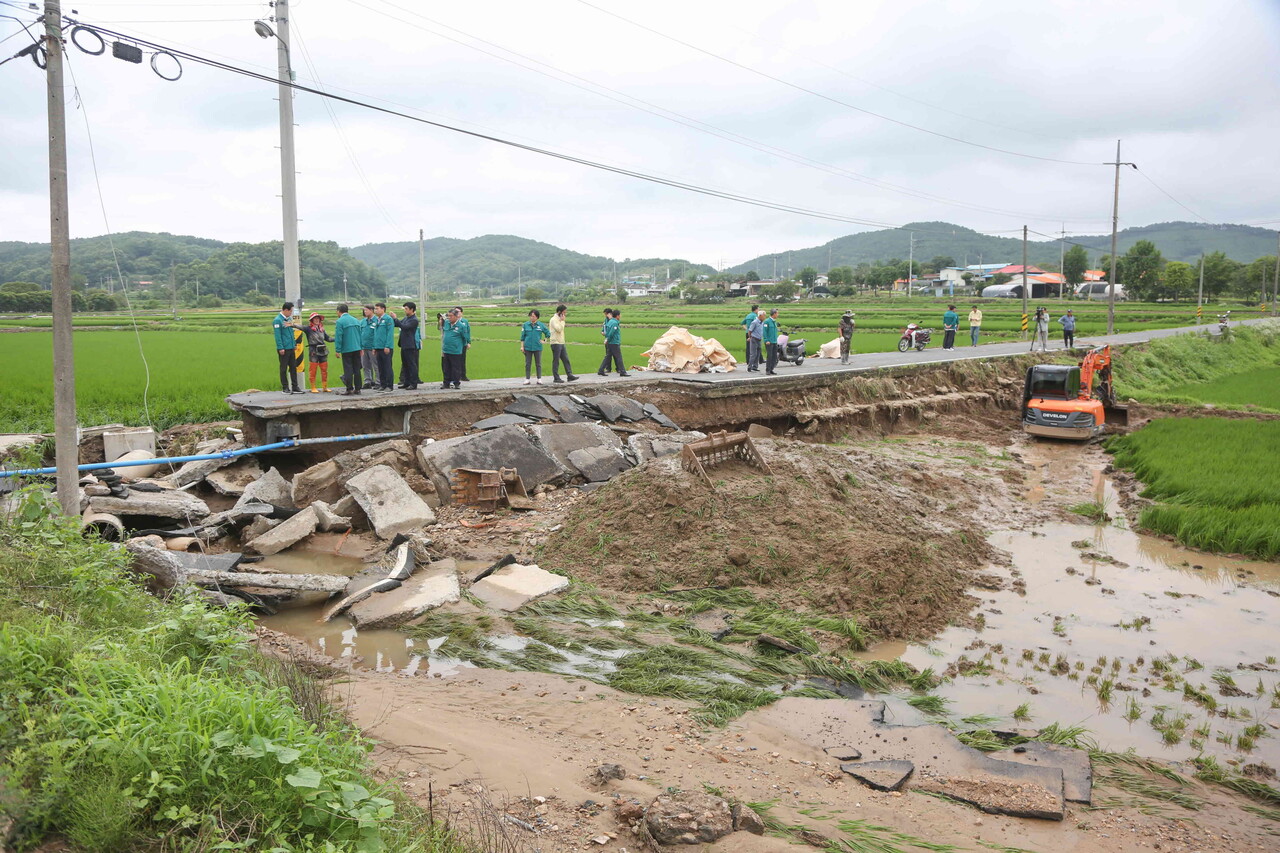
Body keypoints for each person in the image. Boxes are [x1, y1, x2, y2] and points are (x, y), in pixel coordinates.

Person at [333, 303, 364, 395]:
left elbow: (339, 337)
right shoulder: (356, 320)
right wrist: (361, 347)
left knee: (348, 369)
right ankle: (358, 389)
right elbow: (360, 335)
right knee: (357, 369)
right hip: (357, 348)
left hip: (347, 349)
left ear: (339, 311)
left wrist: (337, 350)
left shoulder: (340, 321)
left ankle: (349, 389)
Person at [273, 301, 302, 394]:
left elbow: (291, 332)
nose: (291, 313)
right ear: (285, 310)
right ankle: (285, 387)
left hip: (290, 347)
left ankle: (295, 386)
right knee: (283, 368)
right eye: (290, 311)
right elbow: (278, 336)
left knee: (293, 367)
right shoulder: (277, 320)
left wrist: (294, 344)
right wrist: (280, 347)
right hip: (284, 349)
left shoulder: (288, 319)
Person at [302, 312, 334, 393]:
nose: (317, 320)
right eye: (315, 318)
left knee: (324, 369)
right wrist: (292, 324)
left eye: (318, 318)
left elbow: (328, 339)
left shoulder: (322, 329)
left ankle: (324, 387)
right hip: (313, 351)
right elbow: (300, 327)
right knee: (313, 369)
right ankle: (313, 387)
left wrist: (338, 338)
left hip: (323, 351)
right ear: (312, 320)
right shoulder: (308, 329)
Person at [394, 301, 422, 390]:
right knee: (405, 364)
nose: (405, 311)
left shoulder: (414, 320)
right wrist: (393, 320)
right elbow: (398, 324)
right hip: (404, 344)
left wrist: (395, 318)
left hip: (410, 345)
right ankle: (406, 382)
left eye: (406, 309)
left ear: (412, 309)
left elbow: (404, 327)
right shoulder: (406, 318)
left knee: (411, 365)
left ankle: (413, 383)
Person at [548, 304, 579, 383]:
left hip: (561, 342)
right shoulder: (553, 320)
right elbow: (559, 329)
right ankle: (556, 377)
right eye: (564, 312)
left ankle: (569, 375)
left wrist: (562, 321)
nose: (565, 314)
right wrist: (562, 321)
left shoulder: (559, 320)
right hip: (555, 343)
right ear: (559, 312)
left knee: (566, 359)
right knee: (556, 361)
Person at [520, 309, 551, 384]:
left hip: (537, 347)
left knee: (538, 363)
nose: (531, 318)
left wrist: (544, 340)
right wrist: (522, 347)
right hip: (527, 347)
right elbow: (522, 337)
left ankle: (539, 379)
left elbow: (548, 333)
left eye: (533, 316)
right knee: (528, 363)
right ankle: (527, 379)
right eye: (530, 316)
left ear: (537, 317)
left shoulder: (541, 325)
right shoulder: (525, 325)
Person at [372, 302, 396, 391]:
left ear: (383, 309)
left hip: (385, 347)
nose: (375, 310)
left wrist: (387, 346)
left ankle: (389, 385)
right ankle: (383, 384)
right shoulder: (376, 320)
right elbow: (375, 334)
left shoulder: (388, 319)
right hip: (378, 347)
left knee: (387, 367)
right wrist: (374, 347)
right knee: (380, 367)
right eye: (375, 309)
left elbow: (390, 334)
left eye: (377, 308)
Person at [598, 308, 629, 376]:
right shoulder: (614, 323)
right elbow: (611, 333)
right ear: (617, 316)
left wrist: (607, 339)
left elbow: (606, 331)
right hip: (614, 342)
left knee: (608, 357)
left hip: (610, 342)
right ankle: (622, 372)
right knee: (618, 357)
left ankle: (601, 370)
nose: (620, 316)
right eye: (620, 315)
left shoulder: (610, 322)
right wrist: (607, 339)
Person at [440, 308, 466, 389]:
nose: (449, 318)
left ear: (456, 316)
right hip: (446, 349)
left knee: (456, 368)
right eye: (448, 316)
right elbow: (441, 330)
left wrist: (462, 345)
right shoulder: (446, 323)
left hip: (455, 350)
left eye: (451, 316)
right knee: (446, 368)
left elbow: (464, 337)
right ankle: (446, 383)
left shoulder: (461, 326)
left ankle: (456, 383)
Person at [359, 305, 378, 388]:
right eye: (364, 310)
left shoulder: (377, 320)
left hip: (372, 347)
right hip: (364, 346)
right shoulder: (362, 321)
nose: (365, 312)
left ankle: (378, 381)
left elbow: (377, 335)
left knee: (376, 365)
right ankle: (368, 381)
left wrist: (375, 346)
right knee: (365, 365)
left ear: (371, 310)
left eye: (366, 310)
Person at [453, 305, 472, 381]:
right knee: (454, 360)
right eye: (455, 312)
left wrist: (468, 342)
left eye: (458, 312)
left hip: (463, 343)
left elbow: (468, 332)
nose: (456, 313)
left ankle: (463, 375)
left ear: (462, 313)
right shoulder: (452, 321)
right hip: (455, 344)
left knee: (462, 359)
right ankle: (455, 376)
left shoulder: (465, 321)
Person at [763, 308, 780, 375]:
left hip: (774, 341)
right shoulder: (767, 321)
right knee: (769, 356)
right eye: (777, 313)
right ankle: (768, 370)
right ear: (774, 314)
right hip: (769, 342)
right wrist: (766, 340)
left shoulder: (774, 322)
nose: (778, 314)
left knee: (774, 356)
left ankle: (771, 369)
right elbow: (764, 332)